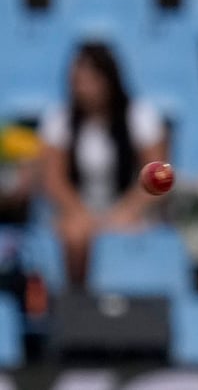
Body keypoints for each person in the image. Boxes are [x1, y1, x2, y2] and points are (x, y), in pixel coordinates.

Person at [37, 42, 169, 288]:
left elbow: (158, 178)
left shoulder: (140, 116)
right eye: (78, 81)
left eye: (90, 81)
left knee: (133, 236)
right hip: (79, 211)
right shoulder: (59, 119)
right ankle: (78, 302)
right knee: (75, 235)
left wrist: (124, 212)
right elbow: (53, 180)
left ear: (109, 80)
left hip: (127, 210)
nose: (83, 89)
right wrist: (81, 213)